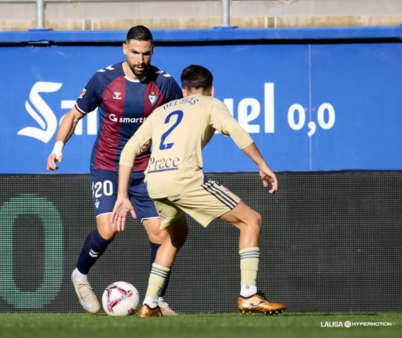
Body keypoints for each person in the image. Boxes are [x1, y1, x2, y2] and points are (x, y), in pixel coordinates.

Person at [111, 65, 287, 317]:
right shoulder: (211, 103)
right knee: (251, 221)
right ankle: (249, 295)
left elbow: (128, 150)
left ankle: (150, 304)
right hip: (184, 179)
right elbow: (235, 130)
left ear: (184, 91)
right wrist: (262, 165)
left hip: (156, 182)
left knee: (175, 235)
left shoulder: (160, 111)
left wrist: (122, 196)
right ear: (211, 89)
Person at [47, 25, 183, 315]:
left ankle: (154, 301)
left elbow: (181, 124)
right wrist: (58, 146)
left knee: (160, 234)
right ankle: (80, 275)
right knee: (107, 229)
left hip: (146, 168)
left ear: (153, 51)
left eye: (146, 53)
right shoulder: (103, 80)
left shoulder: (165, 84)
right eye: (135, 52)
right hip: (108, 165)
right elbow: (73, 115)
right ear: (124, 48)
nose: (140, 59)